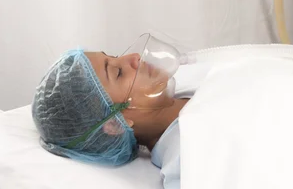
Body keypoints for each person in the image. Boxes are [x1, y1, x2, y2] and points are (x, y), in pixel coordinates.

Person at [32, 47, 192, 189]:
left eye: (115, 56)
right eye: (118, 73)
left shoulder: (190, 77)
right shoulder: (188, 161)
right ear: (114, 124)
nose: (135, 56)